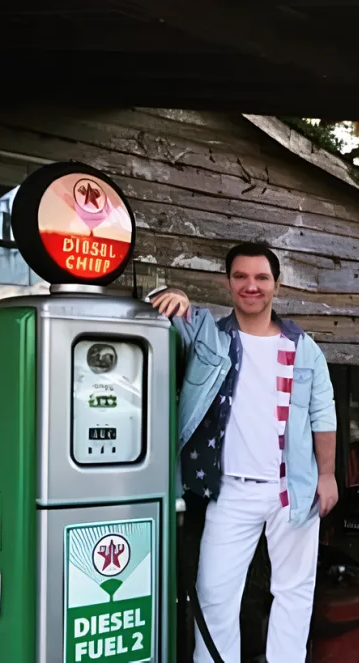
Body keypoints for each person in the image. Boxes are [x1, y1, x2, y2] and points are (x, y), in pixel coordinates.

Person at [148, 242, 338, 662]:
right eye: (241, 277)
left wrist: (327, 475)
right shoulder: (207, 335)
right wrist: (172, 295)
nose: (251, 286)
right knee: (214, 595)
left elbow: (323, 411)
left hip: (293, 487)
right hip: (230, 491)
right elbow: (158, 319)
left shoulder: (303, 347)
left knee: (293, 592)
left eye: (261, 278)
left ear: (276, 285)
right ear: (228, 282)